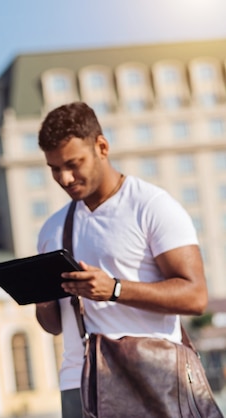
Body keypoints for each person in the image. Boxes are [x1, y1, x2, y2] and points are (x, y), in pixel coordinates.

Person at [34, 102, 208, 418]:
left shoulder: (152, 206)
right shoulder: (52, 228)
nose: (65, 177)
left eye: (74, 163)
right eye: (54, 168)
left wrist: (114, 289)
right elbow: (52, 327)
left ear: (102, 146)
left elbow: (195, 296)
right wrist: (40, 296)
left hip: (150, 375)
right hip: (78, 382)